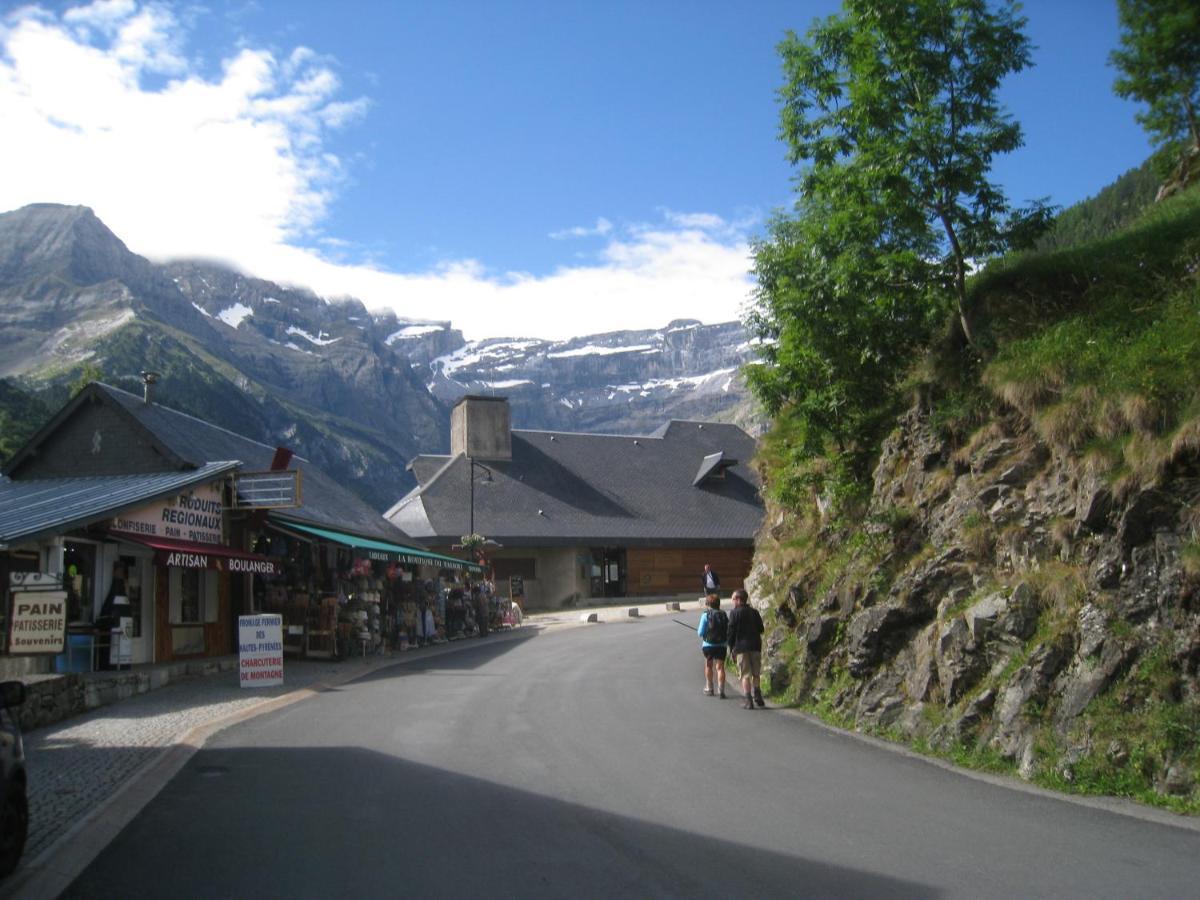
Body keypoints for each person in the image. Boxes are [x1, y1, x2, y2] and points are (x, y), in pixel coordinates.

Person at [726, 588, 765, 709]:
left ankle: (749, 700)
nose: (732, 601)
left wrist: (731, 648)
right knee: (756, 672)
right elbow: (761, 629)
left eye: (733, 599)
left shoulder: (734, 613)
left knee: (745, 674)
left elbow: (730, 632)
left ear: (738, 599)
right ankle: (757, 694)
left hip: (741, 647)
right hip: (755, 645)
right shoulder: (754, 612)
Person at [696, 593, 728, 698]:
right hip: (722, 645)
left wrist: (705, 633)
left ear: (708, 604)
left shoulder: (705, 615)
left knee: (709, 666)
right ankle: (721, 690)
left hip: (708, 645)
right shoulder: (723, 614)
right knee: (720, 667)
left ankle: (709, 688)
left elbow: (700, 633)